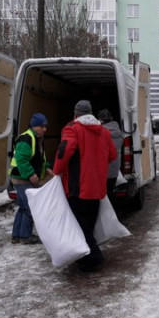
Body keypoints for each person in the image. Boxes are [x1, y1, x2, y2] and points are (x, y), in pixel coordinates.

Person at [53, 100, 117, 272]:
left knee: (80, 226)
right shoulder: (103, 132)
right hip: (97, 188)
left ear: (76, 114)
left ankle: (93, 257)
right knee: (88, 224)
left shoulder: (72, 129)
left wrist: (57, 171)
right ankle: (84, 258)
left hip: (78, 188)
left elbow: (64, 151)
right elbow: (112, 154)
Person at [10, 112, 53, 244]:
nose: (45, 129)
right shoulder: (26, 138)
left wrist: (46, 167)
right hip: (21, 178)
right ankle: (25, 236)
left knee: (23, 206)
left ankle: (17, 236)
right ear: (35, 126)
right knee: (29, 207)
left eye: (45, 126)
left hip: (21, 177)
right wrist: (31, 174)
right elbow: (22, 159)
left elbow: (39, 158)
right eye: (42, 126)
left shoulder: (36, 138)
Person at [98, 108, 123, 200]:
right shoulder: (118, 131)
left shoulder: (100, 132)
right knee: (110, 192)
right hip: (115, 168)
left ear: (101, 119)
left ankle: (107, 213)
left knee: (104, 195)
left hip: (103, 169)